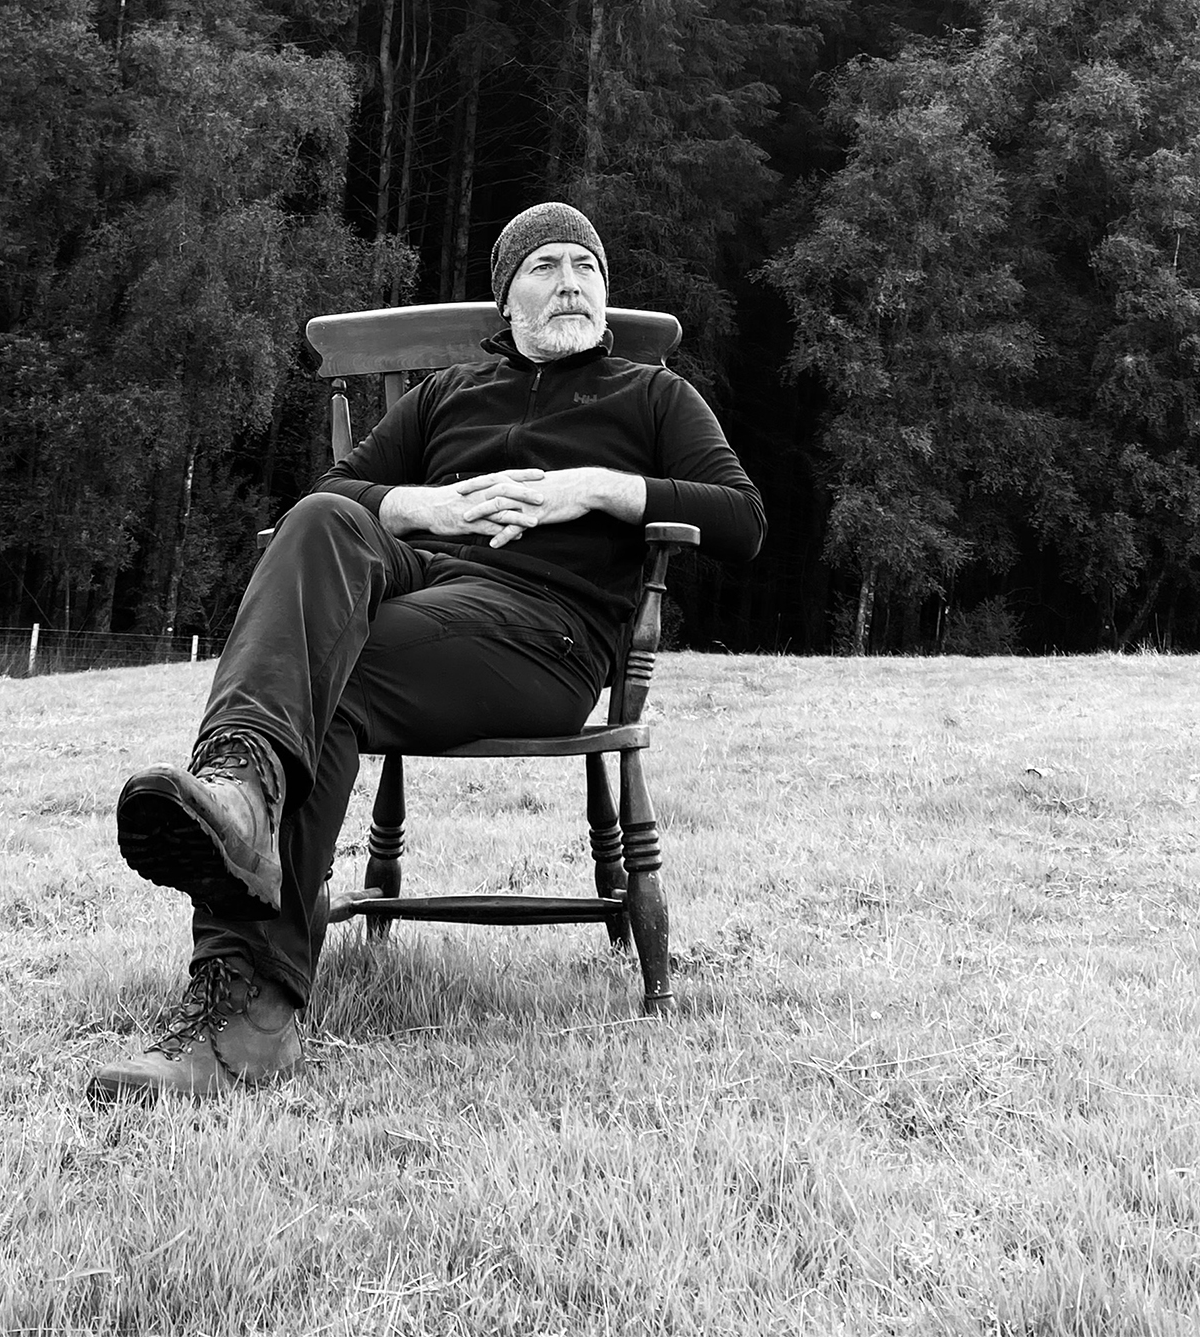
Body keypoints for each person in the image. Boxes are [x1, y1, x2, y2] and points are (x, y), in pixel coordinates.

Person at [88, 202, 764, 1101]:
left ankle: (245, 1010)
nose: (571, 283)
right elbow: (333, 489)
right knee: (322, 519)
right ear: (506, 299)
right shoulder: (450, 393)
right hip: (423, 585)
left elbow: (743, 518)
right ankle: (243, 794)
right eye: (546, 267)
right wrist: (427, 506)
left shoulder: (651, 396)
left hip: (546, 629)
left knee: (321, 679)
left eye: (587, 269)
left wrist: (593, 490)